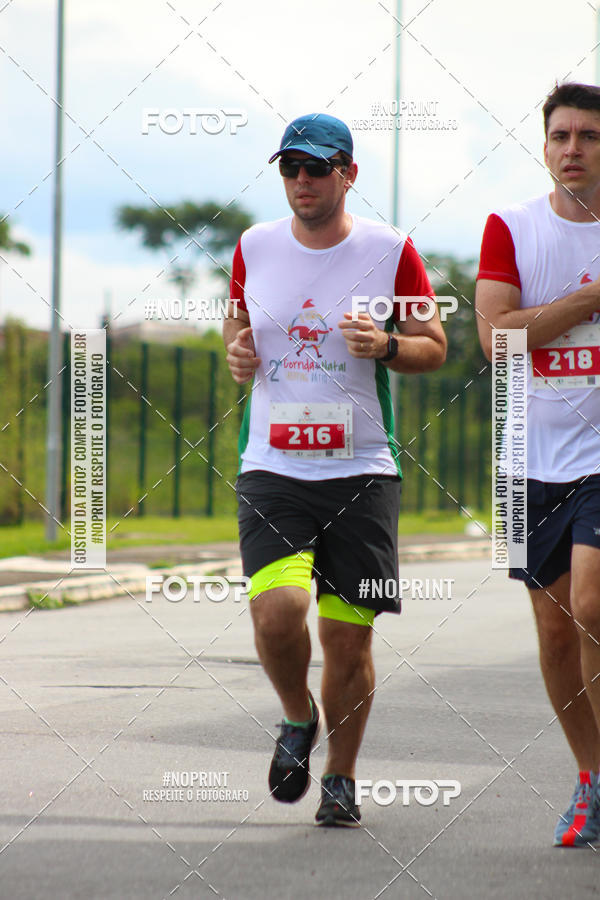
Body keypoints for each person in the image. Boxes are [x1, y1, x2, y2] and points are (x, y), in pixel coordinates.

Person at [223, 113, 446, 826]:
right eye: (290, 168)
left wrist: (384, 345)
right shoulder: (254, 246)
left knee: (347, 639)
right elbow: (237, 326)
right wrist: (237, 352)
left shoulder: (390, 250)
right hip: (274, 467)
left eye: (317, 168)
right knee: (279, 611)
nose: (302, 181)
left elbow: (434, 344)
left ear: (349, 174)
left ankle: (342, 778)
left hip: (361, 472)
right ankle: (297, 716)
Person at [476, 82, 600, 847]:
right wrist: (589, 302)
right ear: (544, 144)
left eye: (589, 136)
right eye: (561, 136)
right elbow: (497, 341)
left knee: (592, 605)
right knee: (556, 637)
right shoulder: (511, 228)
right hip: (529, 462)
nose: (574, 149)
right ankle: (592, 780)